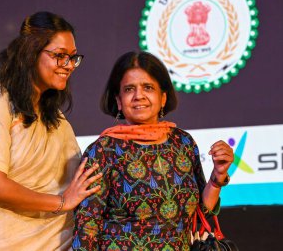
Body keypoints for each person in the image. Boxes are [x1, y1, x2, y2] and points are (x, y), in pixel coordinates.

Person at [0, 11, 102, 251]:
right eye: (59, 56)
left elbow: (81, 182)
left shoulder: (56, 121)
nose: (68, 66)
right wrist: (61, 202)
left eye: (72, 57)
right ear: (30, 53)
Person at [72, 51, 234, 251]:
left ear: (163, 97)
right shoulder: (102, 152)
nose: (139, 95)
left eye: (148, 87)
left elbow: (200, 214)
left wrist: (218, 176)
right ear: (119, 101)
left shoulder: (182, 143)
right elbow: (87, 229)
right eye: (129, 89)